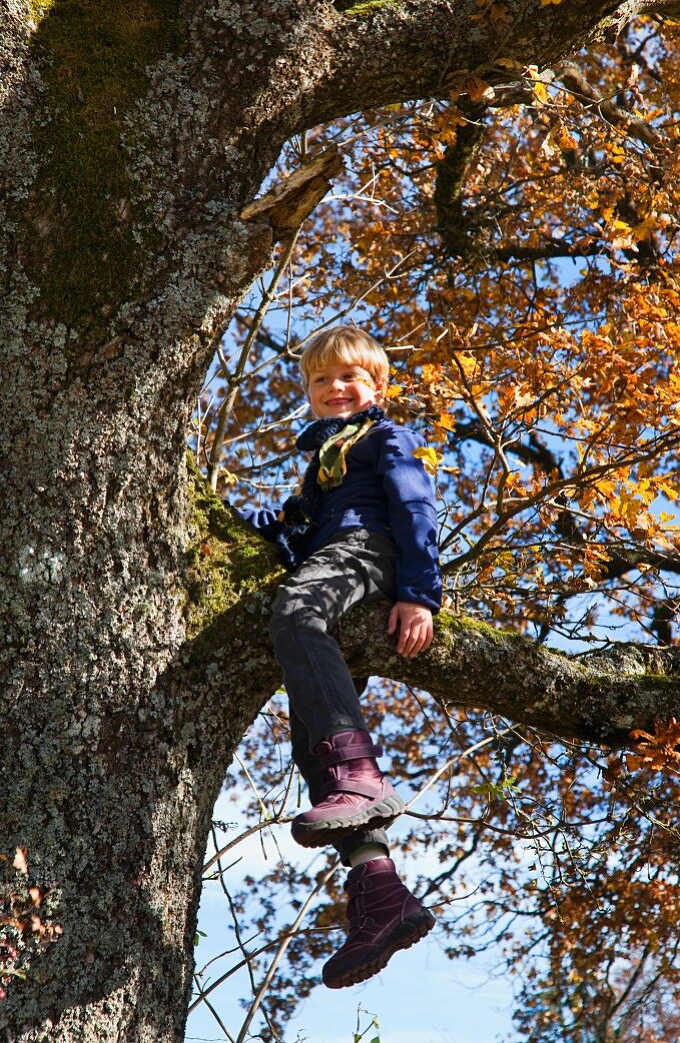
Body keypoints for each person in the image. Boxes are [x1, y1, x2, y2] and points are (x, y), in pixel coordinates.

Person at [233, 324, 440, 989]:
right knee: (311, 730)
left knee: (296, 612)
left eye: (348, 377)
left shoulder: (383, 439)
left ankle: (362, 777)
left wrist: (417, 595)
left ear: (377, 387)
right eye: (321, 380)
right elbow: (302, 522)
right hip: (333, 551)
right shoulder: (323, 459)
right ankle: (379, 894)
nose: (334, 389)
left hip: (365, 553)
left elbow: (414, 508)